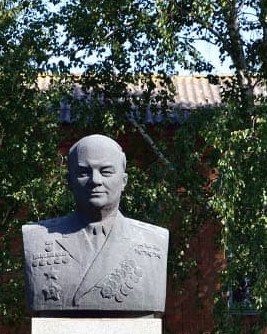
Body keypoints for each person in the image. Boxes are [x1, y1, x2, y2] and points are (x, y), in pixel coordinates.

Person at [20, 134, 168, 314]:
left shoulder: (154, 241)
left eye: (106, 172)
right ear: (69, 182)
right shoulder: (37, 237)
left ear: (123, 181)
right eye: (84, 172)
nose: (95, 180)